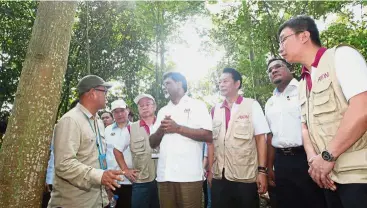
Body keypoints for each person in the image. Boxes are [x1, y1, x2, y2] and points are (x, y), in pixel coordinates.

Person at [278, 15, 367, 208]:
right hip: (328, 177)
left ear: (303, 36)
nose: (280, 48)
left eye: (283, 39)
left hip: (359, 175)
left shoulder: (341, 57)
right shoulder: (303, 83)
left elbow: (362, 109)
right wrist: (314, 162)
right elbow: (305, 127)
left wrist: (327, 156)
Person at [48, 75, 123, 208]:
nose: (107, 95)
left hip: (98, 200)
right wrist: (99, 176)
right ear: (93, 93)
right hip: (74, 202)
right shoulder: (70, 120)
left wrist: (106, 188)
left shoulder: (98, 122)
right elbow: (64, 164)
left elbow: (96, 159)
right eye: (104, 91)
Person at [265, 58, 326, 208]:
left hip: (306, 158)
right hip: (281, 162)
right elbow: (270, 136)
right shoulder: (270, 102)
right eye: (270, 70)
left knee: (314, 201)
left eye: (278, 66)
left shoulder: (305, 90)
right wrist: (269, 167)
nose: (273, 71)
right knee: (286, 202)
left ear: (290, 69)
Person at [149, 72, 213, 208]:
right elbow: (152, 143)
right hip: (164, 176)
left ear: (179, 84)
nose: (164, 87)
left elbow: (208, 135)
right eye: (163, 84)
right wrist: (161, 129)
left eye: (168, 83)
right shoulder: (162, 111)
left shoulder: (197, 105)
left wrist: (177, 128)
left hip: (188, 176)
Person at [210, 68, 269, 208]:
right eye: (220, 82)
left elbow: (261, 139)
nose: (221, 84)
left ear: (237, 84)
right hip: (220, 176)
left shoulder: (251, 105)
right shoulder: (214, 110)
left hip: (245, 176)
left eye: (225, 81)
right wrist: (210, 172)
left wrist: (261, 171)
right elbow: (211, 142)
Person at [114, 93, 160, 208]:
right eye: (141, 106)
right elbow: (117, 150)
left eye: (148, 104)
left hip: (163, 179)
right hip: (141, 181)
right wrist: (125, 170)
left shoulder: (163, 125)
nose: (144, 107)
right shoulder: (131, 128)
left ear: (154, 106)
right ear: (138, 109)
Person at [105, 99, 132, 208]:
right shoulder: (107, 130)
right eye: (116, 112)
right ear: (112, 114)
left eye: (122, 110)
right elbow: (104, 154)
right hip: (112, 179)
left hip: (131, 180)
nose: (120, 114)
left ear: (128, 110)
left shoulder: (136, 128)